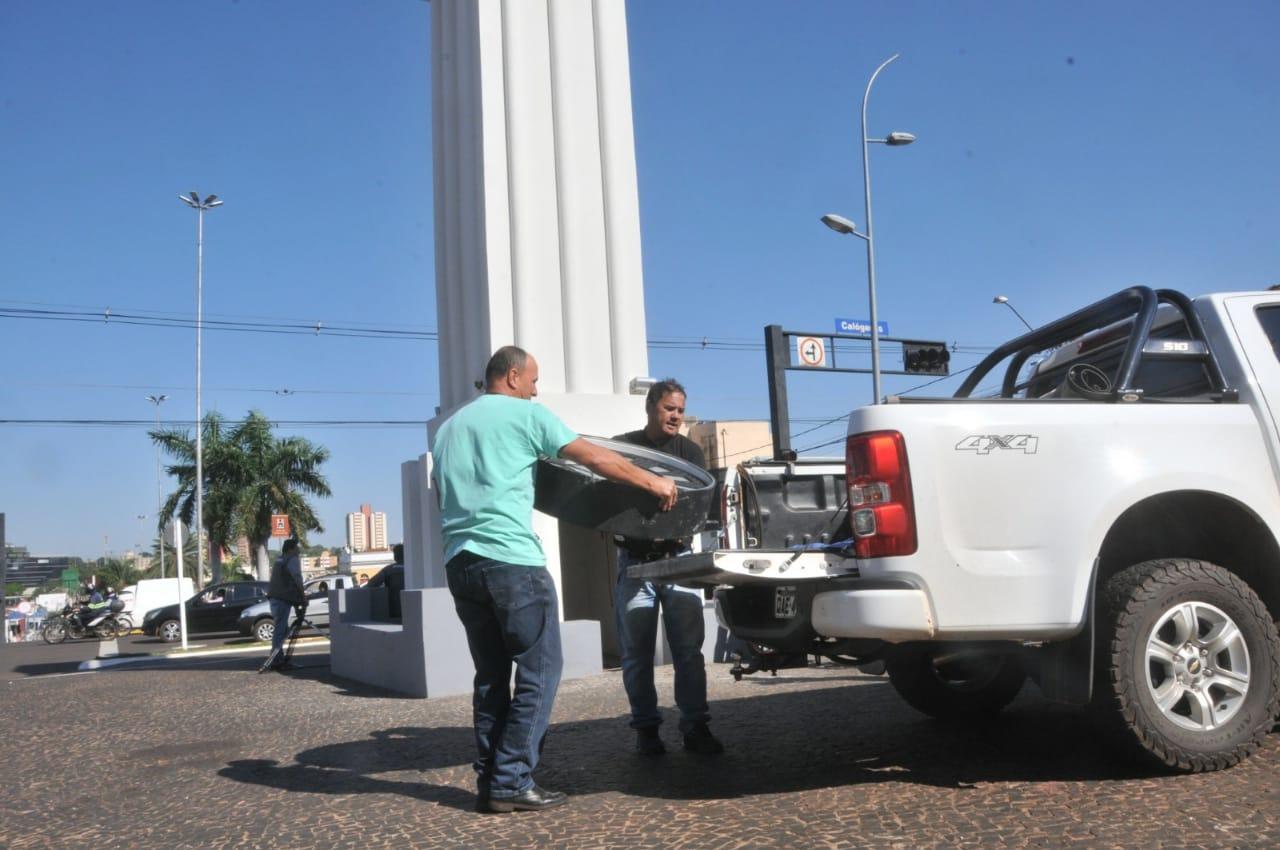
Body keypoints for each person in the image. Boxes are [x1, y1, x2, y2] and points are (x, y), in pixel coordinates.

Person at [434, 345, 678, 814]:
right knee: (540, 670)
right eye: (532, 380)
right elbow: (595, 459)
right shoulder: (527, 416)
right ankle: (511, 780)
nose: (536, 389)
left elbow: (442, 494)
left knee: (490, 677)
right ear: (510, 376)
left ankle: (491, 777)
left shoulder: (449, 430)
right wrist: (654, 483)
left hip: (460, 563)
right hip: (512, 563)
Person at [613, 378, 723, 756]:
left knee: (689, 653)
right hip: (634, 564)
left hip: (679, 563)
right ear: (650, 407)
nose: (675, 415)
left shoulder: (691, 452)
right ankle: (646, 731)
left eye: (679, 409)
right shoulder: (623, 447)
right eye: (669, 408)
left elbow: (696, 507)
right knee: (636, 655)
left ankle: (695, 727)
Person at [265, 538, 305, 668]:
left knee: (282, 628)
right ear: (291, 549)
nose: (298, 549)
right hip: (282, 599)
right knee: (281, 629)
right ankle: (276, 659)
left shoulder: (279, 560)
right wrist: (303, 597)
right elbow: (297, 578)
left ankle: (278, 656)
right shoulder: (292, 559)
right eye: (296, 547)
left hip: (274, 597)